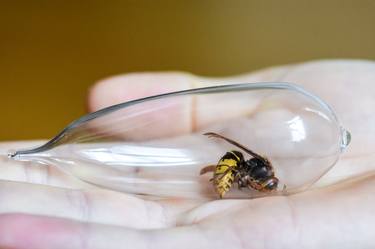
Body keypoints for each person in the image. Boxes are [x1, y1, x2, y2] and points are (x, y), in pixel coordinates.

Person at [0, 59, 374, 249]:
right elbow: (237, 165)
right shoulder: (251, 166)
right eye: (268, 184)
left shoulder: (270, 171)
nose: (268, 187)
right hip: (230, 164)